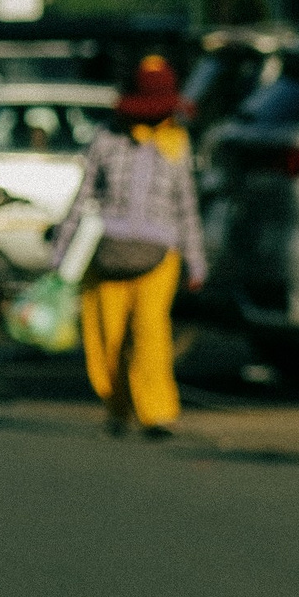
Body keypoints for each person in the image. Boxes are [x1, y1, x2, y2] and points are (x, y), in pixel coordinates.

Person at [58, 54, 205, 438]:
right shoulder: (106, 139)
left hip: (160, 256)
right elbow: (82, 197)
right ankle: (118, 407)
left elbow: (186, 205)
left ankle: (157, 413)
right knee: (106, 337)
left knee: (151, 333)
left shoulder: (177, 143)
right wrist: (61, 252)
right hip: (107, 252)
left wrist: (196, 261)